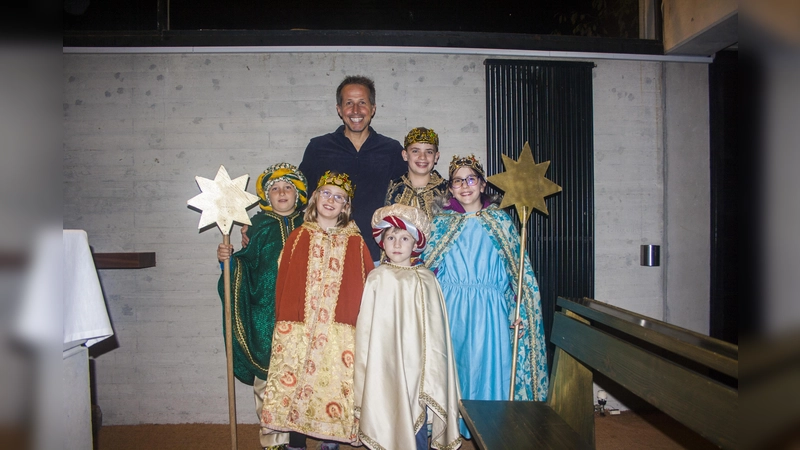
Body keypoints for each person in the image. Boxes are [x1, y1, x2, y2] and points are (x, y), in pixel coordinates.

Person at [422, 154, 549, 438]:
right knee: (457, 367)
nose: (465, 186)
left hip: (490, 308)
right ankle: (451, 426)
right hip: (452, 307)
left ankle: (491, 426)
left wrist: (519, 307)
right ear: (451, 188)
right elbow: (428, 266)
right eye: (458, 181)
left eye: (471, 179)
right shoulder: (442, 223)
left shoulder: (500, 221)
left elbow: (519, 273)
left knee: (489, 364)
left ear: (481, 184)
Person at [260, 171, 373, 450]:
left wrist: (358, 325)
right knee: (295, 380)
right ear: (315, 197)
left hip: (339, 329)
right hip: (300, 326)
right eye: (326, 193)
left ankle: (329, 441)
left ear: (346, 206)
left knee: (332, 382)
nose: (331, 200)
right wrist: (285, 322)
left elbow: (366, 284)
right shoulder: (299, 236)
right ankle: (296, 441)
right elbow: (284, 280)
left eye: (339, 197)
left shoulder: (356, 241)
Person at [353, 204, 462, 450]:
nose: (397, 244)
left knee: (416, 414)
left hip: (417, 366)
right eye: (391, 237)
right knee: (385, 405)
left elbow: (436, 333)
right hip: (386, 361)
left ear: (416, 243)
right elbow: (368, 327)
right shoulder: (377, 278)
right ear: (382, 242)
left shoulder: (427, 279)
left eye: (405, 238)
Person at [216, 162, 307, 449]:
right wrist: (228, 260)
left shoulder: (311, 225)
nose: (281, 193)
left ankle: (298, 437)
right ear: (267, 196)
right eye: (275, 189)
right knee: (268, 379)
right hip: (267, 314)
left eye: (288, 187)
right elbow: (246, 265)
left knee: (303, 376)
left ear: (298, 194)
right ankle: (272, 439)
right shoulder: (257, 226)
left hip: (303, 316)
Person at [298, 75, 407, 261]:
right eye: (349, 103)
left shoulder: (391, 150)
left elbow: (408, 195)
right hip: (327, 254)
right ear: (339, 109)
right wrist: (261, 224)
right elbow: (298, 196)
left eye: (362, 102)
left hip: (377, 256)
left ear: (373, 109)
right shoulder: (319, 148)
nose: (356, 110)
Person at [384, 127, 449, 220]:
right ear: (405, 155)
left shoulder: (447, 190)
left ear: (436, 157)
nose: (422, 157)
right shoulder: (393, 188)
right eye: (415, 151)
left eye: (429, 152)